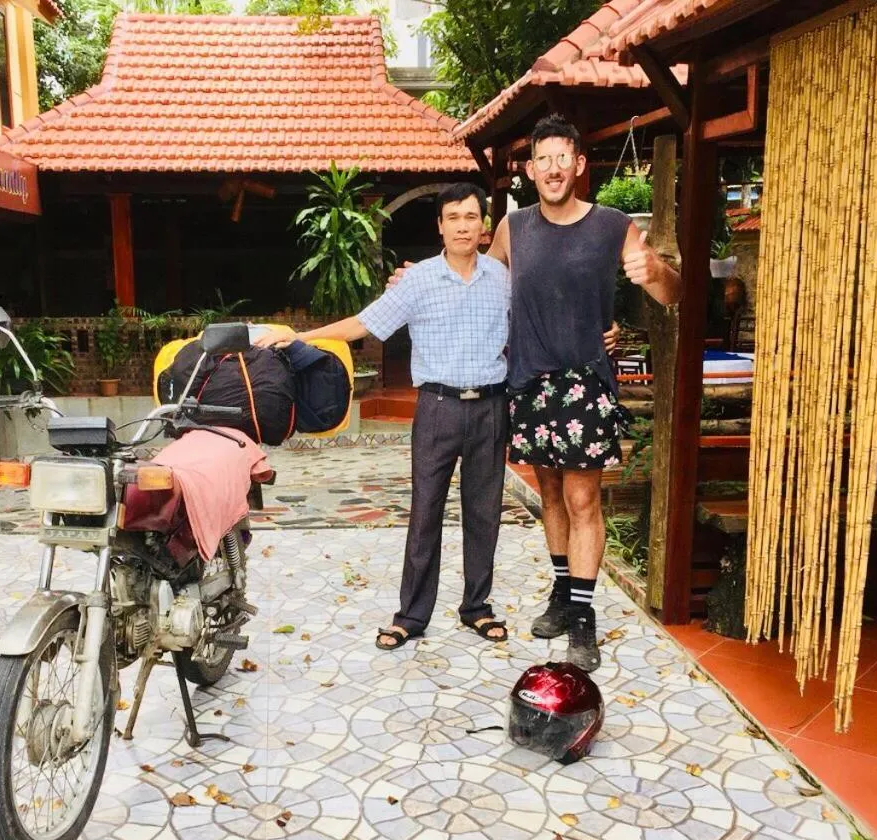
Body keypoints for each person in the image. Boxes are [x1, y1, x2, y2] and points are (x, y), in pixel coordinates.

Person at [255, 183, 513, 651]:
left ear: (482, 227)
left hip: (492, 408)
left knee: (485, 512)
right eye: (452, 217)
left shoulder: (502, 278)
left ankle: (478, 606)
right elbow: (363, 324)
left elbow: (535, 326)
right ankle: (411, 615)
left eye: (470, 217)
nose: (462, 225)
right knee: (425, 512)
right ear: (440, 225)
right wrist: (299, 336)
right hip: (437, 408)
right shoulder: (417, 281)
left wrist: (601, 331)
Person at [490, 114, 681, 671]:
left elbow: (670, 294)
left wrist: (657, 271)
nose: (552, 169)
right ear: (530, 170)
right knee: (549, 497)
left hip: (585, 382)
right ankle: (560, 591)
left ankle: (583, 618)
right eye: (541, 159)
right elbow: (478, 285)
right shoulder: (512, 229)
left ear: (578, 165)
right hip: (527, 381)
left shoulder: (613, 225)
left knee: (582, 500)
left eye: (561, 158)